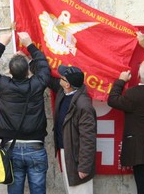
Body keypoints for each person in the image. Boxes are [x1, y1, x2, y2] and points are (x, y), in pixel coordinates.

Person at [0, 31, 50, 194]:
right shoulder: (37, 84)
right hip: (35, 147)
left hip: (10, 148)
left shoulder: (3, 85)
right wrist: (29, 44)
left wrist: (1, 44)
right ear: (28, 71)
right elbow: (43, 66)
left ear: (10, 72)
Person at [47, 65, 97, 194]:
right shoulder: (63, 92)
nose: (59, 78)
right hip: (66, 151)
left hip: (77, 157)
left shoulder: (83, 105)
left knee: (79, 190)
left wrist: (84, 167)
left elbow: (88, 138)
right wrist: (30, 59)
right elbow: (46, 78)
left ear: (67, 84)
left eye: (62, 77)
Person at [107, 60, 144, 194]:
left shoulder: (134, 94)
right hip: (141, 150)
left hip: (140, 152)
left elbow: (112, 99)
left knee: (143, 187)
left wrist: (121, 80)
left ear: (139, 77)